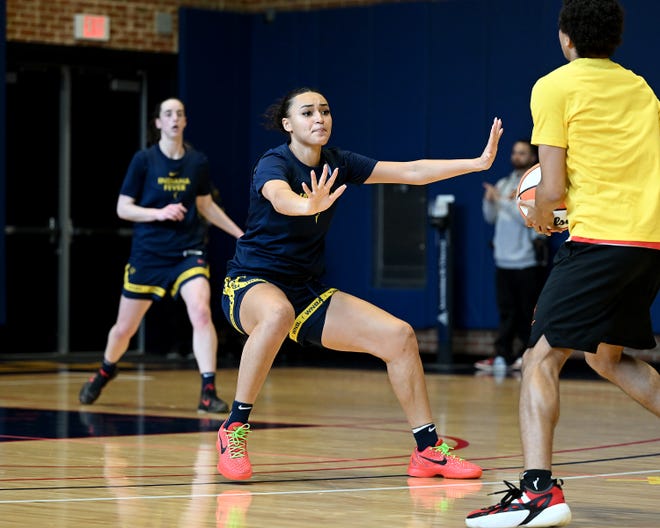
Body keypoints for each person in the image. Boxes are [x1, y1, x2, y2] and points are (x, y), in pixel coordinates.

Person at [214, 87, 504, 481]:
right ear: (288, 125)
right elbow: (280, 198)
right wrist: (307, 205)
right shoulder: (273, 163)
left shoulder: (338, 163)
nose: (319, 118)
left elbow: (411, 172)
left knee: (399, 337)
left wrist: (476, 163)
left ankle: (427, 451)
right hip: (250, 283)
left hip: (305, 292)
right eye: (307, 113)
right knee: (277, 312)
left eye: (325, 111)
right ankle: (234, 428)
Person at [466, 1, 660, 526]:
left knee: (539, 360)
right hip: (648, 241)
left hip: (599, 239)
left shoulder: (554, 85)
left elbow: (549, 187)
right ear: (615, 39)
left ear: (564, 37)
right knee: (606, 359)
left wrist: (538, 214)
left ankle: (537, 492)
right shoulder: (641, 88)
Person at [79, 98, 244, 414]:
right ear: (158, 123)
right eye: (167, 114)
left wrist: (240, 234)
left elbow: (206, 205)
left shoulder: (197, 162)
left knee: (200, 311)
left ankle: (208, 390)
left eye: (179, 114)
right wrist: (158, 213)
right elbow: (122, 208)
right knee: (124, 328)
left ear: (184, 122)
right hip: (149, 254)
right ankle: (105, 369)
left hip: (187, 251)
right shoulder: (143, 160)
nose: (174, 118)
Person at [475, 140, 547, 373]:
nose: (517, 156)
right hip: (503, 261)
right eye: (515, 152)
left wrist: (503, 202)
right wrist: (490, 202)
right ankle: (501, 356)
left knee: (528, 312)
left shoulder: (537, 185)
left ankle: (526, 356)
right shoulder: (504, 183)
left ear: (533, 157)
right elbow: (491, 218)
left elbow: (528, 220)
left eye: (522, 153)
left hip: (526, 262)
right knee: (506, 311)